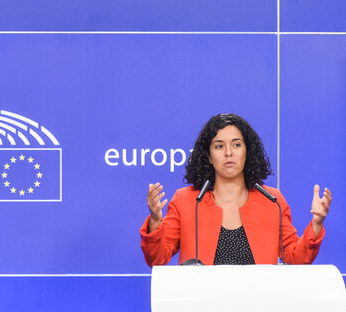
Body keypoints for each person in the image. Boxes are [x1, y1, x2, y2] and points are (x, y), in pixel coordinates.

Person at [141, 113, 331, 266]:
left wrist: (316, 224)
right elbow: (157, 259)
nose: (229, 152)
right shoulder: (187, 200)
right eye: (219, 146)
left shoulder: (272, 200)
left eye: (236, 144)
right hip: (201, 308)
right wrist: (156, 221)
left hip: (259, 306)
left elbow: (295, 258)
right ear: (208, 156)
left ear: (247, 152)